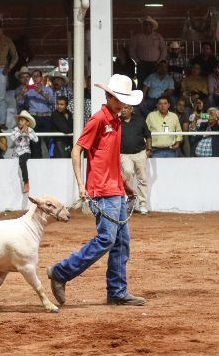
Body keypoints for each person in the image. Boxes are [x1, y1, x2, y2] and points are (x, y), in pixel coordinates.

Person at [46, 74, 146, 307]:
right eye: (120, 99)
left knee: (120, 241)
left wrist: (125, 185)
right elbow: (76, 150)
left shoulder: (116, 120)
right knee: (107, 239)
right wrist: (81, 184)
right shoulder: (99, 119)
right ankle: (61, 272)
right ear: (109, 96)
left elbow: (108, 160)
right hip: (102, 190)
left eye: (125, 100)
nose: (123, 104)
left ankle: (117, 292)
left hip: (114, 190)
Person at [119, 104, 151, 214]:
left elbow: (148, 135)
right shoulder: (116, 121)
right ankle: (130, 202)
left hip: (140, 153)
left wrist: (149, 149)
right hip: (124, 154)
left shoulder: (140, 120)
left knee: (142, 179)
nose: (123, 110)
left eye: (126, 108)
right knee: (127, 174)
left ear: (131, 109)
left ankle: (143, 205)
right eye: (122, 108)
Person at [128, 16, 166, 87]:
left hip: (155, 64)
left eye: (147, 24)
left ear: (152, 26)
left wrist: (159, 62)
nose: (145, 26)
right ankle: (142, 97)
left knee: (154, 83)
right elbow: (131, 50)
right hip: (142, 64)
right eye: (144, 24)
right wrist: (138, 61)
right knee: (142, 82)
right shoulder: (137, 37)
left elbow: (163, 50)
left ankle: (153, 97)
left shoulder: (158, 37)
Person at [10, 110, 38, 194]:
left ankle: (26, 182)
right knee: (13, 169)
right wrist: (21, 132)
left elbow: (36, 139)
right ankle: (14, 189)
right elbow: (12, 138)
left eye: (22, 120)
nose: (19, 122)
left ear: (27, 123)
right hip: (15, 153)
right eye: (19, 120)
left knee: (22, 162)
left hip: (26, 151)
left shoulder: (30, 130)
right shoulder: (15, 129)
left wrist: (28, 134)